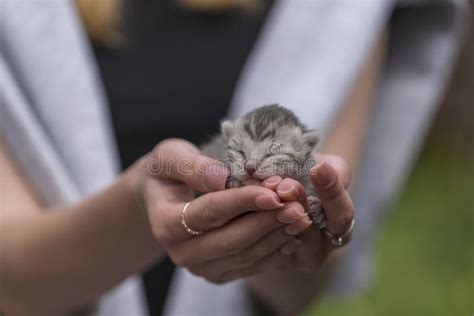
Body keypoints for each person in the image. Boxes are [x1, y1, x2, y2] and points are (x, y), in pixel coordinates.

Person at [0, 0, 468, 315]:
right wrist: (140, 204)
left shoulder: (339, 14)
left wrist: (300, 237)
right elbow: (10, 282)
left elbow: (300, 285)